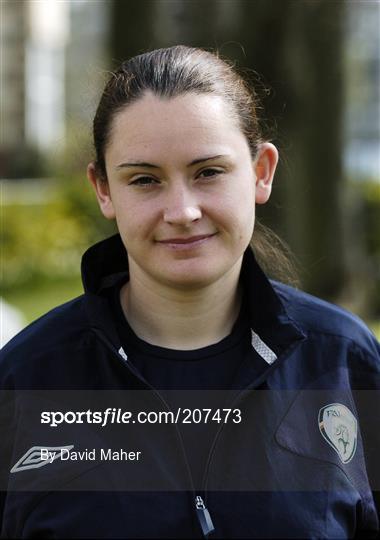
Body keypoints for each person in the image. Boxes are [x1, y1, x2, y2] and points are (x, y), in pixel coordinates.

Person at [0, 45, 379, 539]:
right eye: (144, 179)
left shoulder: (343, 361)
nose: (182, 211)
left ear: (261, 171)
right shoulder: (27, 380)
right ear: (103, 189)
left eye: (208, 172)